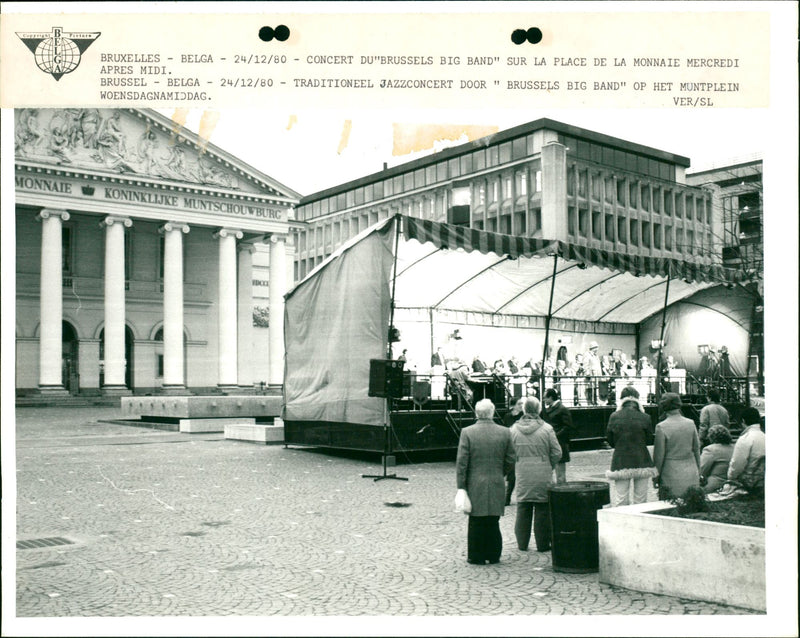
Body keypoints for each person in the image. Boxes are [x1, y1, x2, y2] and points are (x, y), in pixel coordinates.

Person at [455, 399, 515, 565]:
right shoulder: (505, 432)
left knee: (476, 520)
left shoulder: (467, 432)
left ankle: (476, 555)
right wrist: (501, 472)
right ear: (492, 412)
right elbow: (511, 458)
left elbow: (462, 462)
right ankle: (494, 554)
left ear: (476, 413)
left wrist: (461, 486)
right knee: (493, 520)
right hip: (496, 479)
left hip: (475, 481)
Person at [509, 397, 562, 552]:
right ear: (539, 409)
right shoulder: (547, 429)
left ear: (524, 410)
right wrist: (548, 464)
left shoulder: (513, 429)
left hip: (522, 472)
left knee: (523, 507)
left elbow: (509, 453)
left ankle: (522, 544)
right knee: (542, 509)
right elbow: (557, 452)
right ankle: (543, 544)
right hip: (542, 472)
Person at [605, 387, 658, 506]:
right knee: (641, 500)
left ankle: (623, 523)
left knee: (621, 498)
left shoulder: (614, 416)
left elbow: (610, 439)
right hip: (642, 460)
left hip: (621, 460)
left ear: (621, 400)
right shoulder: (645, 417)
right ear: (637, 400)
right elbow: (649, 439)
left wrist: (620, 445)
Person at [653, 393, 701, 498]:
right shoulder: (690, 423)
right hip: (691, 469)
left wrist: (656, 476)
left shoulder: (661, 427)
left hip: (670, 472)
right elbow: (696, 448)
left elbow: (659, 456)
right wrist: (698, 468)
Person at [726, 407, 765, 494]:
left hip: (749, 481)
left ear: (743, 421)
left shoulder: (745, 438)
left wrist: (730, 478)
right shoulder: (764, 436)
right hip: (763, 479)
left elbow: (737, 464)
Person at [541, 388, 572, 484]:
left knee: (560, 475)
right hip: (552, 443)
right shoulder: (549, 409)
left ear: (551, 397)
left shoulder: (562, 409)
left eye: (545, 398)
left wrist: (555, 436)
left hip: (560, 443)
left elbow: (568, 426)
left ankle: (561, 494)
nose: (544, 400)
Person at [699, 425, 735, 493]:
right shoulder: (734, 448)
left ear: (711, 437)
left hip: (714, 485)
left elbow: (701, 469)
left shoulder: (710, 449)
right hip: (731, 483)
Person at [502, 398, 524, 505]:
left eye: (521, 403)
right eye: (519, 404)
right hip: (510, 446)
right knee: (511, 473)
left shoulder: (523, 416)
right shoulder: (507, 416)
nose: (521, 405)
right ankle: (507, 496)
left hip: (520, 446)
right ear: (513, 405)